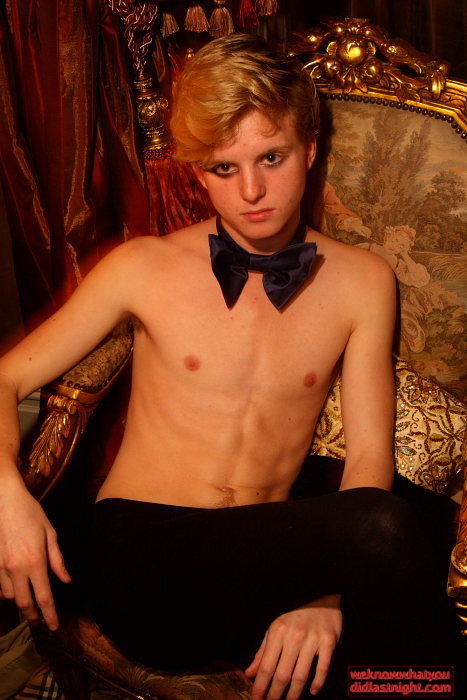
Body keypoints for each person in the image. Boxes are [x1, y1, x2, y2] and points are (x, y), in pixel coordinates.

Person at [0, 34, 456, 700]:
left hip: (269, 561)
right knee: (383, 529)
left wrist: (321, 597)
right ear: (197, 173)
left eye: (271, 157)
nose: (251, 191)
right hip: (144, 559)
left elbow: (366, 455)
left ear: (308, 150)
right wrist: (6, 496)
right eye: (223, 168)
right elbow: (6, 377)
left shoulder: (363, 280)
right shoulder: (143, 267)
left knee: (387, 674)